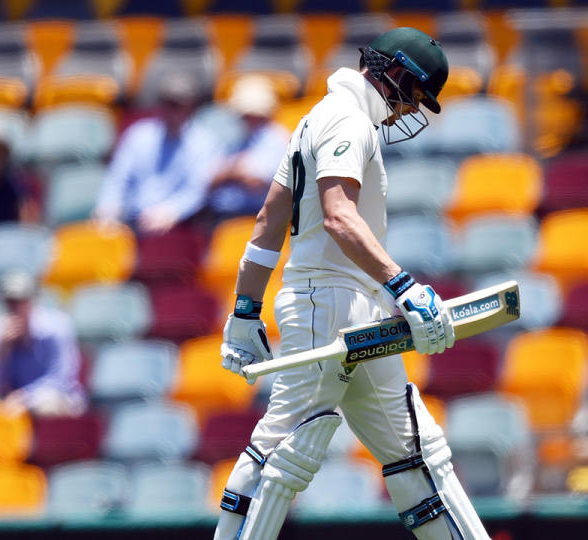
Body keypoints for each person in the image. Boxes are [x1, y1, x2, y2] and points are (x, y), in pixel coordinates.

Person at [215, 28, 489, 539]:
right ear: (399, 74)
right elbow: (339, 217)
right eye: (415, 96)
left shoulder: (314, 119)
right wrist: (403, 285)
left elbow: (268, 223)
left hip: (344, 302)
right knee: (285, 448)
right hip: (330, 302)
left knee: (418, 451)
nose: (410, 112)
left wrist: (246, 310)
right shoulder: (346, 119)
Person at [93, 72, 222, 234]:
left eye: (177, 105)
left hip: (182, 227)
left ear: (190, 107)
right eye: (167, 103)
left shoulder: (206, 143)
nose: (170, 111)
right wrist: (108, 208)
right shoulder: (138, 135)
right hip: (133, 222)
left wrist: (172, 211)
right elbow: (117, 179)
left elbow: (199, 190)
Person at [0, 271, 85, 416]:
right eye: (9, 301)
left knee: (45, 404)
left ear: (32, 301)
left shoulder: (57, 328)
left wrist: (26, 396)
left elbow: (61, 378)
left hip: (59, 398)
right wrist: (2, 352)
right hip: (13, 401)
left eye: (20, 301)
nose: (15, 307)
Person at [207, 74, 290, 220]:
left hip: (260, 218)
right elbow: (209, 180)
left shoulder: (278, 139)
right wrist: (233, 173)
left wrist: (230, 173)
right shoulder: (234, 137)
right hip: (222, 215)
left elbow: (258, 183)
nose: (249, 119)